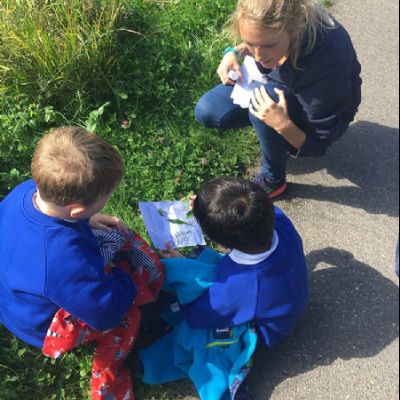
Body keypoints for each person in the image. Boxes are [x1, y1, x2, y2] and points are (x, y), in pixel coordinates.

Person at [0, 127, 163, 400]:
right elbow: (105, 312)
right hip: (38, 322)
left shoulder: (27, 190)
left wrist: (87, 221)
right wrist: (124, 281)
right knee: (127, 316)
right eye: (103, 201)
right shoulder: (63, 260)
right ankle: (111, 386)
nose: (105, 204)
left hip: (14, 291)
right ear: (75, 209)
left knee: (107, 240)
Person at [195, 0, 362, 198]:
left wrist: (281, 124)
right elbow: (260, 40)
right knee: (207, 110)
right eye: (250, 43)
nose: (257, 57)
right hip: (286, 82)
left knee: (264, 102)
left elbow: (318, 144)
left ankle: (273, 180)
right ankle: (275, 133)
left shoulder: (325, 62)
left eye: (268, 46)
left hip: (326, 119)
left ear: (295, 26)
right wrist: (233, 52)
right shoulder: (280, 34)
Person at [161, 176, 308, 350]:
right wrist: (206, 209)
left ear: (222, 244)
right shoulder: (279, 221)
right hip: (284, 298)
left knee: (188, 330)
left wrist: (183, 267)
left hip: (267, 331)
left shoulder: (239, 286)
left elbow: (196, 317)